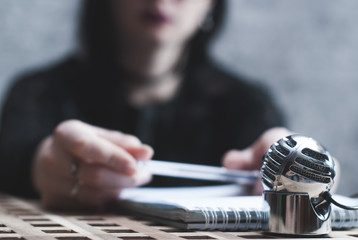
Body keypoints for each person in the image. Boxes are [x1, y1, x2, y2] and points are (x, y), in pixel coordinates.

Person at [0, 0, 290, 210]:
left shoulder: (247, 104)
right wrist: (42, 165)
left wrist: (302, 169)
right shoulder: (39, 92)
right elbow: (11, 160)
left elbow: (287, 172)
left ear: (211, 5)